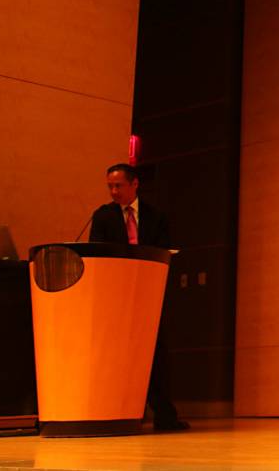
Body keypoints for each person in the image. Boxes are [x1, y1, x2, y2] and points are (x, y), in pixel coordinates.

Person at [89, 163, 189, 432]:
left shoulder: (157, 216)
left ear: (134, 185)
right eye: (110, 186)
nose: (113, 191)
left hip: (148, 294)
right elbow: (97, 255)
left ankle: (164, 416)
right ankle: (115, 412)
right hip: (117, 296)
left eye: (118, 185)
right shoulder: (102, 216)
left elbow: (164, 251)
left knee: (156, 354)